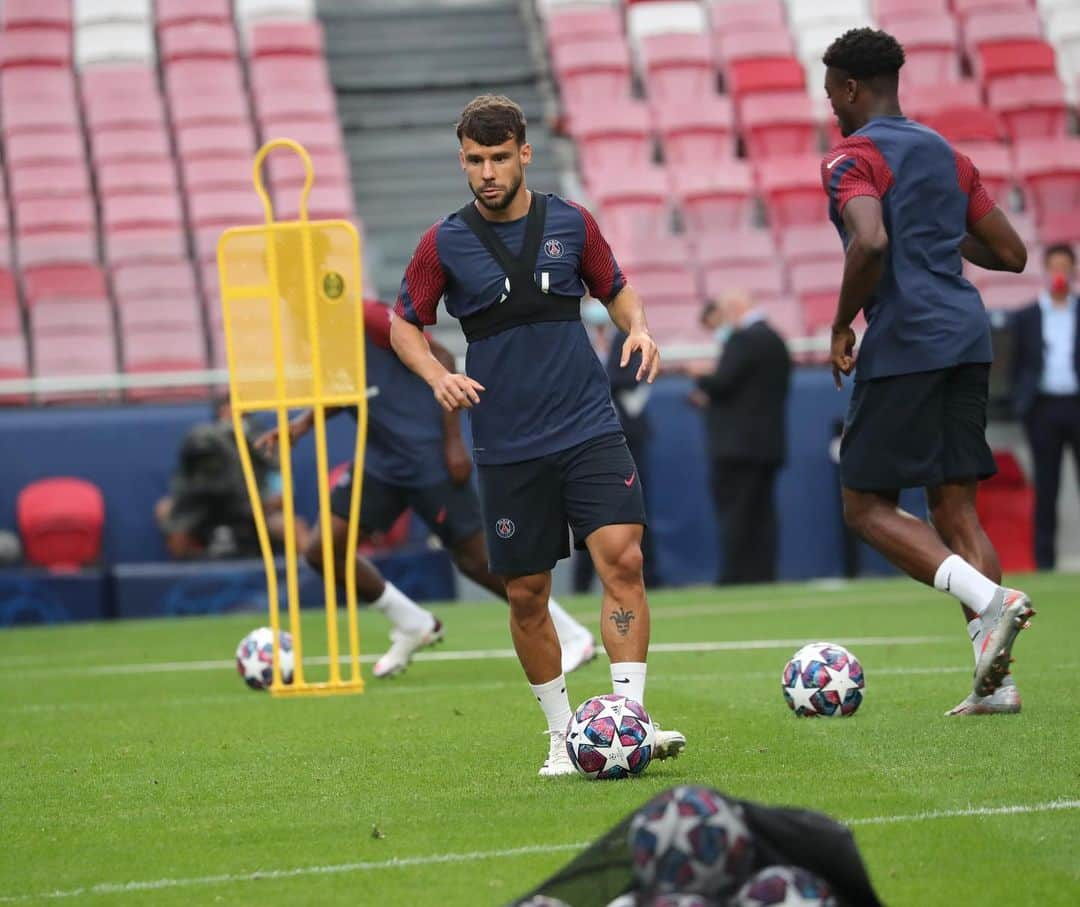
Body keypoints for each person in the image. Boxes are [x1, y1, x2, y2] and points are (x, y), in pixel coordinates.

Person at [388, 94, 686, 775]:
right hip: (507, 442)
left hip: (586, 423)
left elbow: (617, 289)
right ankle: (562, 734)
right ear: (462, 160)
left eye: (498, 157)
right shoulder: (444, 241)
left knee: (624, 559)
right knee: (527, 593)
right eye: (474, 159)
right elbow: (406, 322)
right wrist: (436, 375)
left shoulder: (571, 222)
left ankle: (628, 717)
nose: (487, 172)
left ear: (525, 152)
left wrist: (637, 325)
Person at [820, 28, 1035, 716]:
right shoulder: (946, 154)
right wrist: (935, 230)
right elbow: (1011, 251)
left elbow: (871, 240)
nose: (830, 107)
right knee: (953, 504)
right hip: (968, 340)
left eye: (831, 93)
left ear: (851, 88)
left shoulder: (852, 158)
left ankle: (989, 599)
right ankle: (996, 683)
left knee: (864, 505)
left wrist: (839, 322)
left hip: (907, 340)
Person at [256, 300, 596, 679]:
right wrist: (302, 425)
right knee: (322, 549)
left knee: (474, 559)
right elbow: (350, 388)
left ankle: (570, 633)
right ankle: (412, 624)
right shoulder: (312, 332)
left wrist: (452, 440)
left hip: (425, 456)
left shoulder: (364, 314)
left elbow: (444, 356)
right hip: (379, 463)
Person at [689, 291, 791, 585]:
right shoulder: (776, 341)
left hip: (736, 447)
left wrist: (699, 375)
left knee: (735, 515)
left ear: (733, 309)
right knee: (763, 514)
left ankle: (735, 576)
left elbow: (722, 382)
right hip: (769, 444)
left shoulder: (743, 340)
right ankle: (763, 575)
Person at [573, 306, 659, 592]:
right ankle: (582, 584)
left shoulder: (628, 340)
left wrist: (597, 385)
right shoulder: (576, 339)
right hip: (586, 437)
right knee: (587, 512)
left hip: (628, 436)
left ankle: (650, 577)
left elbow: (635, 376)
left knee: (637, 509)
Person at [156, 398, 306, 560]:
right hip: (205, 509)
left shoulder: (262, 442)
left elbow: (282, 491)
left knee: (291, 526)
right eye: (228, 413)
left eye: (239, 415)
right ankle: (189, 574)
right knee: (165, 510)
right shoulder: (202, 441)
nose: (232, 420)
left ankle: (311, 577)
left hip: (252, 509)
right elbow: (185, 484)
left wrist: (262, 503)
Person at [1009, 243, 1080, 570]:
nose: (1060, 274)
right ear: (1046, 270)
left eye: (1065, 267)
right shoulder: (1027, 317)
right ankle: (1045, 561)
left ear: (1074, 271)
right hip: (1043, 410)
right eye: (1055, 267)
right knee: (1046, 488)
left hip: (1076, 404)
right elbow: (1017, 364)